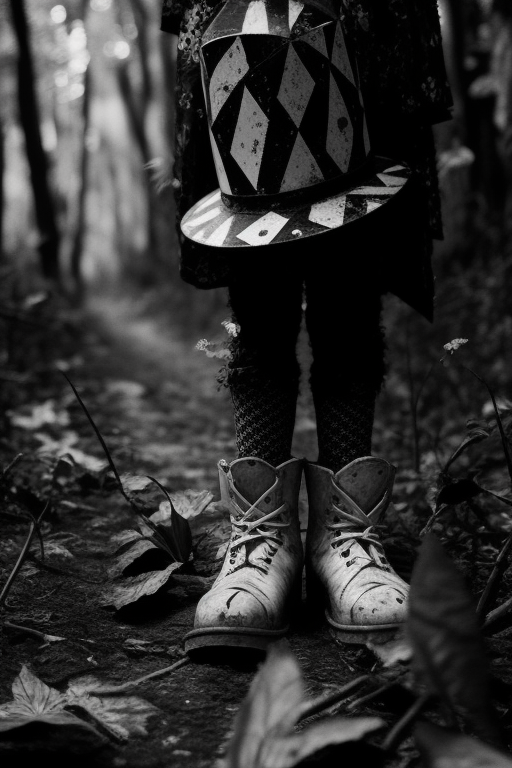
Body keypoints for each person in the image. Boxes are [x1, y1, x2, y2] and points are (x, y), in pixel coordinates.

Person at [161, 0, 453, 652]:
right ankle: (265, 535)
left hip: (363, 18)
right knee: (256, 244)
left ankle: (343, 535)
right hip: (228, 18)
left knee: (352, 256)